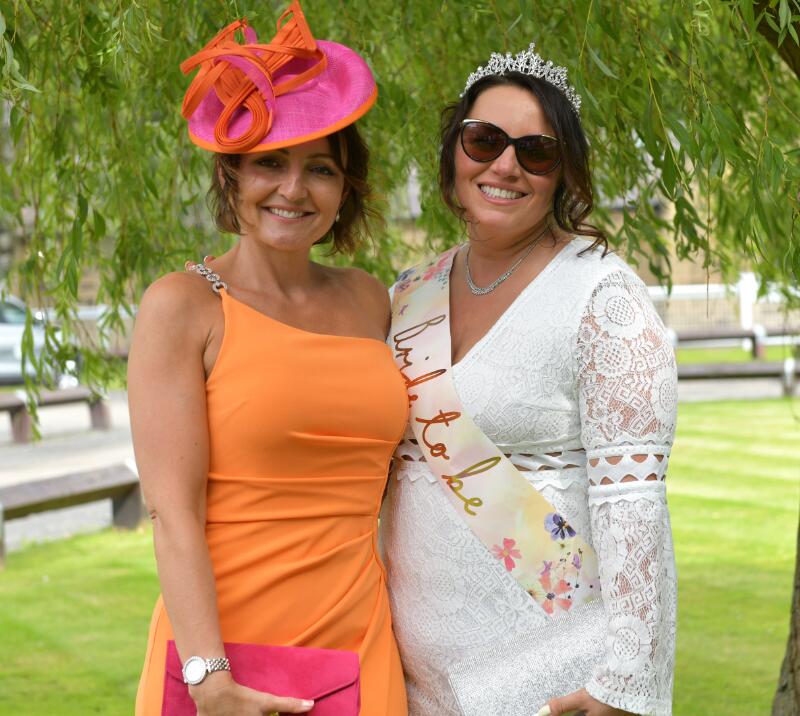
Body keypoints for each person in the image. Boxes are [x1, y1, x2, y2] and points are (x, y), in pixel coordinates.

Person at [380, 43, 677, 716]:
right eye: (484, 140)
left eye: (535, 151)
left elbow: (634, 502)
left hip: (555, 672)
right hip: (411, 674)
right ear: (454, 151)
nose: (505, 165)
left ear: (563, 172)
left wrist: (626, 680)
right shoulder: (408, 296)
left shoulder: (602, 296)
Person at [129, 3, 408, 714]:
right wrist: (208, 678)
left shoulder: (371, 300)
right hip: (228, 656)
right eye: (270, 164)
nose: (293, 189)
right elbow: (173, 514)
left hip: (361, 640)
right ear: (231, 178)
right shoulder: (182, 307)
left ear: (346, 188)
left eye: (320, 168)